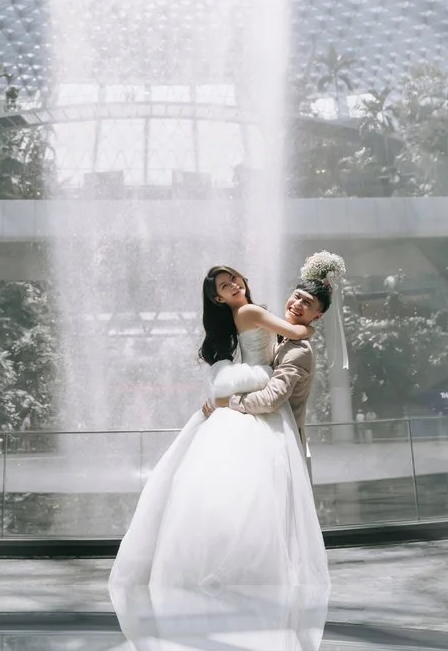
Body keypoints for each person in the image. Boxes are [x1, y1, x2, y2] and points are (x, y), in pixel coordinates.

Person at [110, 254, 343, 594]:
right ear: (218, 298)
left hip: (261, 401)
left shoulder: (275, 336)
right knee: (255, 496)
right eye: (225, 285)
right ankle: (250, 573)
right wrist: (308, 327)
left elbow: (276, 374)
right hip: (259, 402)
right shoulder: (251, 313)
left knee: (238, 491)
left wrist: (226, 400)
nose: (234, 284)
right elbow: (293, 331)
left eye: (234, 278)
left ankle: (227, 568)